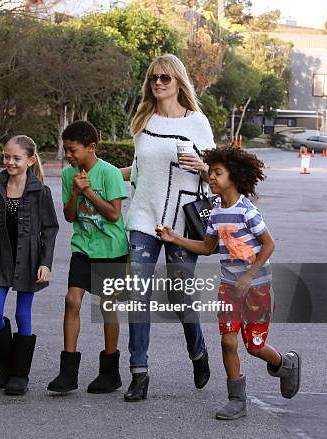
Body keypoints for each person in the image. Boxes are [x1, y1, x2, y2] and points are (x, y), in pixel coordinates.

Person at [156, 146, 301, 420]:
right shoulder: (215, 212)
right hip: (228, 286)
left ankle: (286, 364)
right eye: (210, 172)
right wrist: (175, 238)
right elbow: (208, 246)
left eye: (217, 173)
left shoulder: (247, 211)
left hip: (256, 286)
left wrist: (250, 275)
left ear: (233, 176)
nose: (210, 177)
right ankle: (237, 400)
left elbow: (268, 245)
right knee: (228, 342)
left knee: (254, 345)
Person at [119, 54, 214, 401]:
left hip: (182, 221)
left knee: (180, 295)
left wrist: (202, 165)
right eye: (153, 78)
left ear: (178, 82)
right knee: (138, 295)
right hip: (144, 216)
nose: (158, 83)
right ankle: (139, 373)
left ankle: (198, 351)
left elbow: (217, 173)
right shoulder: (143, 120)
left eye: (165, 78)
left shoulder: (197, 123)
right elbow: (137, 169)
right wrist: (105, 176)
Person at [47, 121, 128, 394]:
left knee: (107, 307)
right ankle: (68, 372)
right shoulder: (69, 174)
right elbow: (70, 216)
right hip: (82, 246)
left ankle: (110, 372)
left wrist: (88, 191)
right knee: (72, 300)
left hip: (112, 249)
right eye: (66, 149)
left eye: (73, 150)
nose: (68, 155)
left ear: (91, 147)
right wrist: (75, 192)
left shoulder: (110, 173)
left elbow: (114, 214)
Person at [0, 135, 59, 396]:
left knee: (23, 316)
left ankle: (19, 374)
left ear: (30, 160)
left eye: (16, 158)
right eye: (6, 157)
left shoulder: (40, 192)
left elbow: (50, 229)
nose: (9, 162)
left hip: (29, 259)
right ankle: (8, 358)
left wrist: (46, 264)